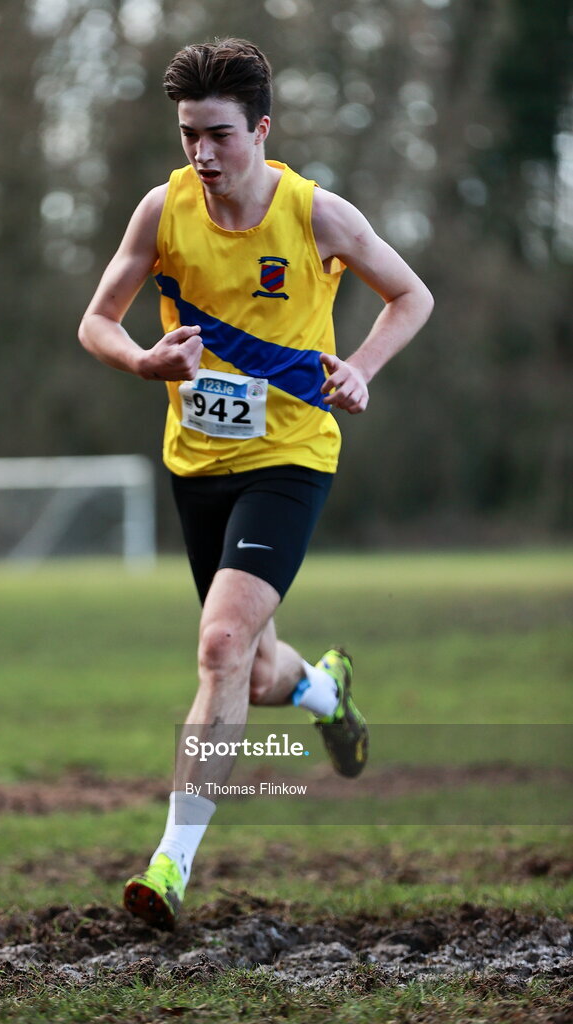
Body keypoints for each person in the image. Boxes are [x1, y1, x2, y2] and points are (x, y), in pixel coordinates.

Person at [78, 38, 433, 930]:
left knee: (217, 647)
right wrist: (141, 361)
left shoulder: (317, 215)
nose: (202, 154)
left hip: (291, 457)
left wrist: (359, 369)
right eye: (190, 134)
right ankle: (325, 691)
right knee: (253, 664)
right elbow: (96, 320)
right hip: (196, 464)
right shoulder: (161, 212)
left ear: (261, 131)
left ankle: (167, 867)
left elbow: (411, 296)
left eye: (220, 136)